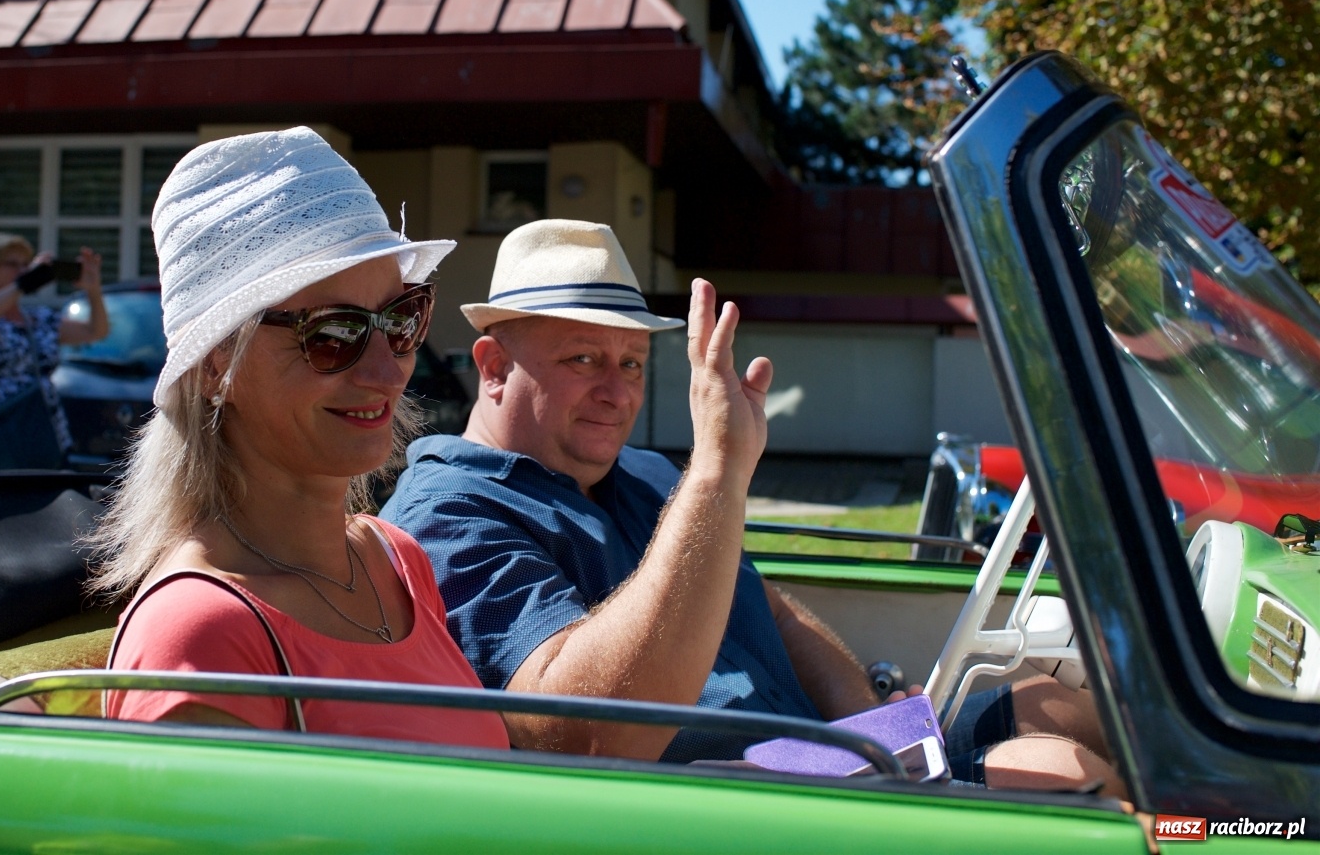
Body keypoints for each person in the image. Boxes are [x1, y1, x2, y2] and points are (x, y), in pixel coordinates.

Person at [381, 218, 1124, 792]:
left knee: (1063, 701)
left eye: (633, 363)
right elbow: (584, 733)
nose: (618, 391)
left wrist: (878, 727)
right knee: (1058, 769)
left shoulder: (637, 473)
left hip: (827, 757)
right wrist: (717, 473)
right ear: (494, 365)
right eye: (583, 359)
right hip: (729, 795)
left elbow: (765, 606)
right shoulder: (452, 513)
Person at [88, 127, 509, 750]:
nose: (386, 368)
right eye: (332, 333)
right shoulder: (199, 634)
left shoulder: (395, 561)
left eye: (401, 318)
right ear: (214, 367)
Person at [0, 234, 109, 469]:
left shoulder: (38, 318)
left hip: (42, 434)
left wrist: (93, 290)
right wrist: (26, 282)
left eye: (25, 264)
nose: (20, 270)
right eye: (11, 264)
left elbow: (95, 331)